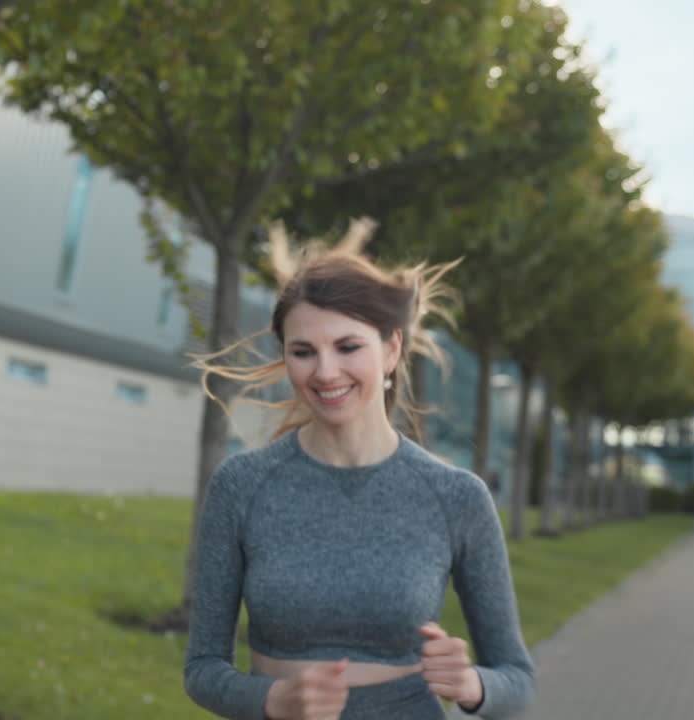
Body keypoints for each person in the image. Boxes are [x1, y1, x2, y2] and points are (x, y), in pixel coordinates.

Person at [183, 219, 535, 720]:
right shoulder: (242, 485)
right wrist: (272, 700)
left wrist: (472, 684)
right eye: (303, 352)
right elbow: (202, 669)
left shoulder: (456, 496)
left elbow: (516, 678)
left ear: (390, 351)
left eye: (348, 347)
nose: (325, 371)